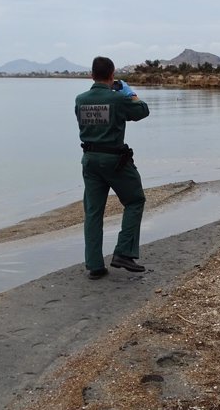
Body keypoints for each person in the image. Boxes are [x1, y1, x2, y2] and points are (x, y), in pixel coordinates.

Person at [75, 56, 150, 279]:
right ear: (113, 74)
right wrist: (129, 92)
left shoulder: (80, 99)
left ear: (91, 75)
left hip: (89, 159)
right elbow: (142, 111)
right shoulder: (117, 99)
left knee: (93, 212)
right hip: (115, 160)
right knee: (135, 200)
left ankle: (95, 265)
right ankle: (124, 253)